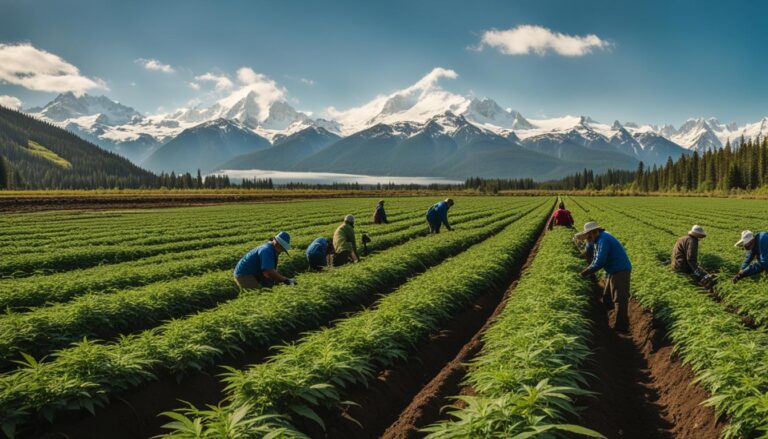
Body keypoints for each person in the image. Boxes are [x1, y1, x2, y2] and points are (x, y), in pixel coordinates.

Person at [576, 221, 632, 332]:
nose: (587, 238)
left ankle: (621, 327)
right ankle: (609, 318)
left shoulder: (603, 239)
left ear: (593, 232)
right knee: (607, 296)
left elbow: (599, 261)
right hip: (612, 270)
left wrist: (585, 273)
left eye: (588, 235)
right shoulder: (598, 239)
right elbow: (595, 257)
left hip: (620, 270)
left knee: (619, 299)